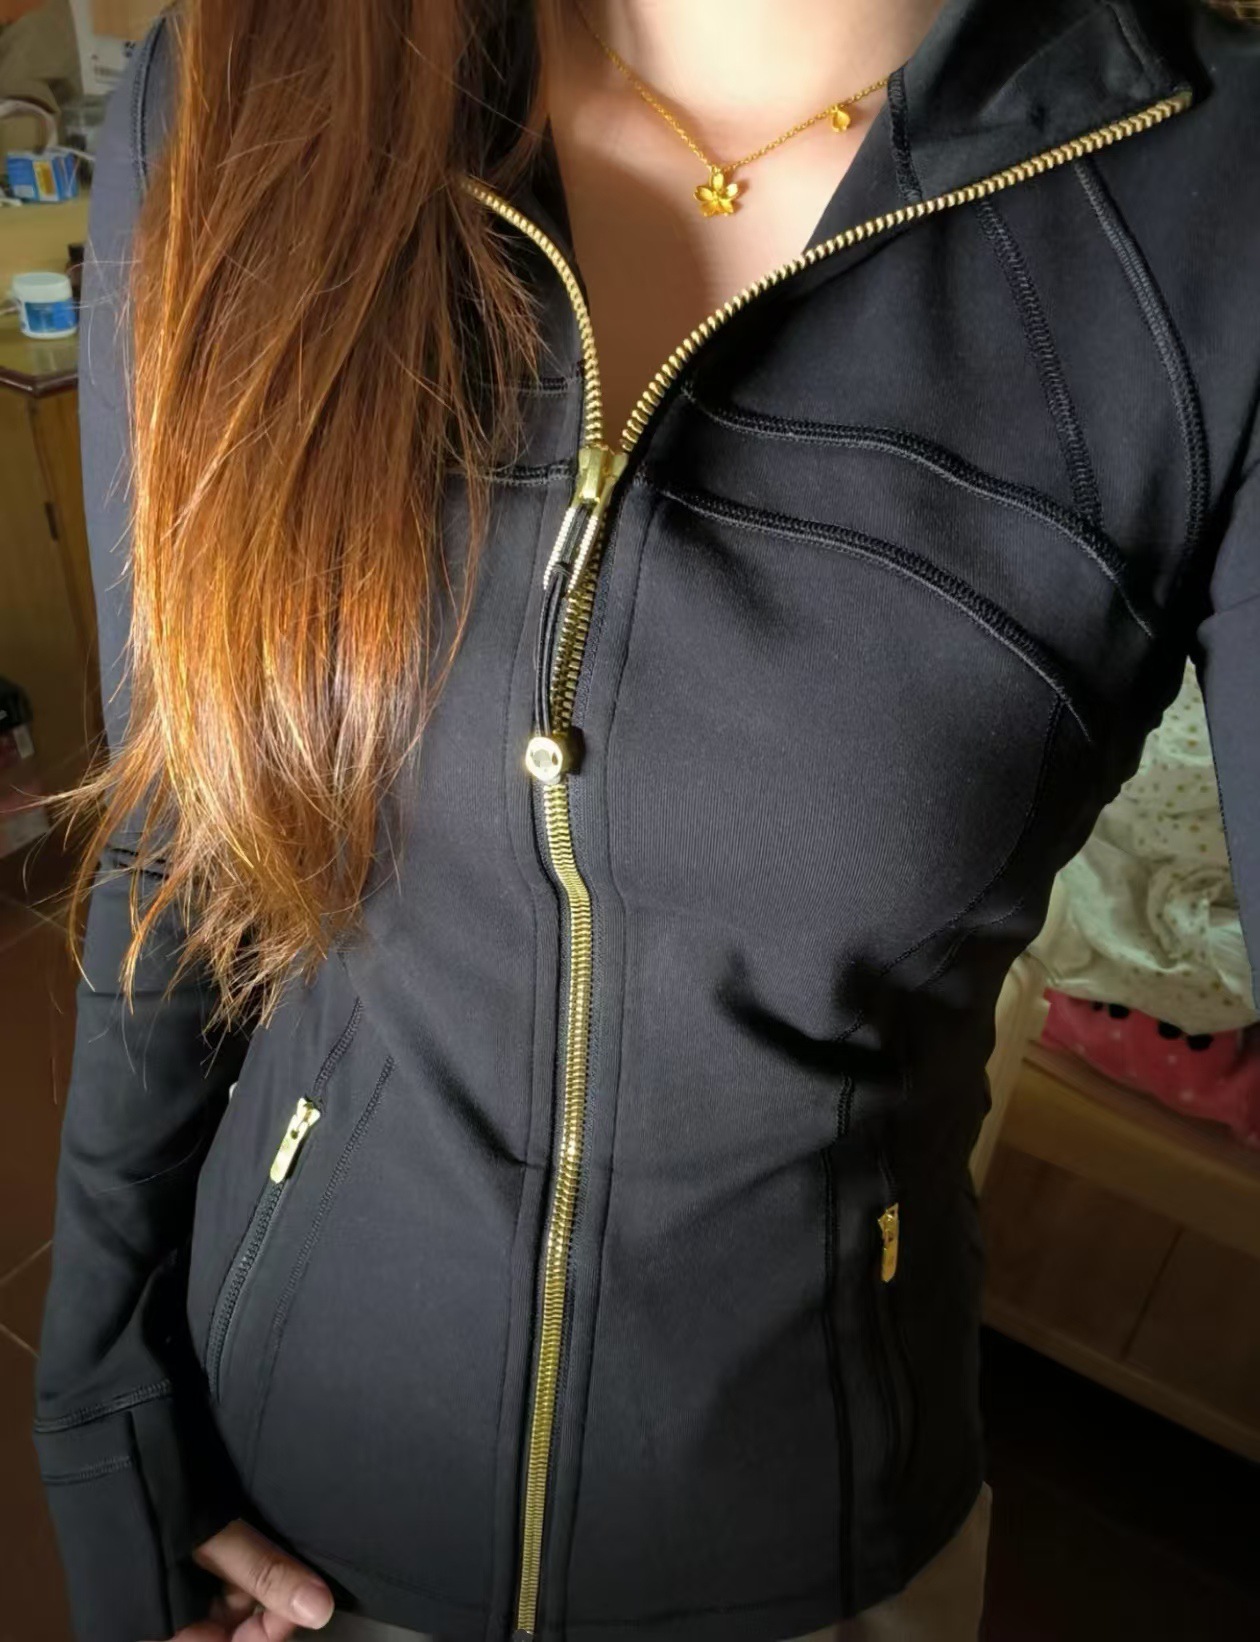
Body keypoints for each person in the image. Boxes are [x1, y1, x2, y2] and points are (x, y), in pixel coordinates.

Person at [30, 1, 1260, 1639]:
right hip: (291, 1519)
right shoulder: (245, 78)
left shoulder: (1215, 202)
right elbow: (175, 834)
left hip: (810, 1547)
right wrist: (103, 1410)